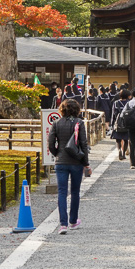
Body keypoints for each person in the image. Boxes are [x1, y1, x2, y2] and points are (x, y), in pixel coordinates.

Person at [47, 98, 91, 234]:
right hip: (76, 162)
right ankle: (73, 221)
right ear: (76, 110)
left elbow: (50, 143)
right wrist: (86, 163)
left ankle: (63, 224)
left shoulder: (56, 123)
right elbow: (83, 144)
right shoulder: (79, 123)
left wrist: (57, 153)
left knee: (62, 192)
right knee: (75, 192)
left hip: (61, 161)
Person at [109, 89, 131, 161]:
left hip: (118, 123)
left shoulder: (116, 103)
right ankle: (124, 153)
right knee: (126, 139)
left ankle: (119, 150)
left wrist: (112, 124)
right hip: (127, 123)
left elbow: (113, 115)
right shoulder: (129, 103)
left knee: (118, 140)